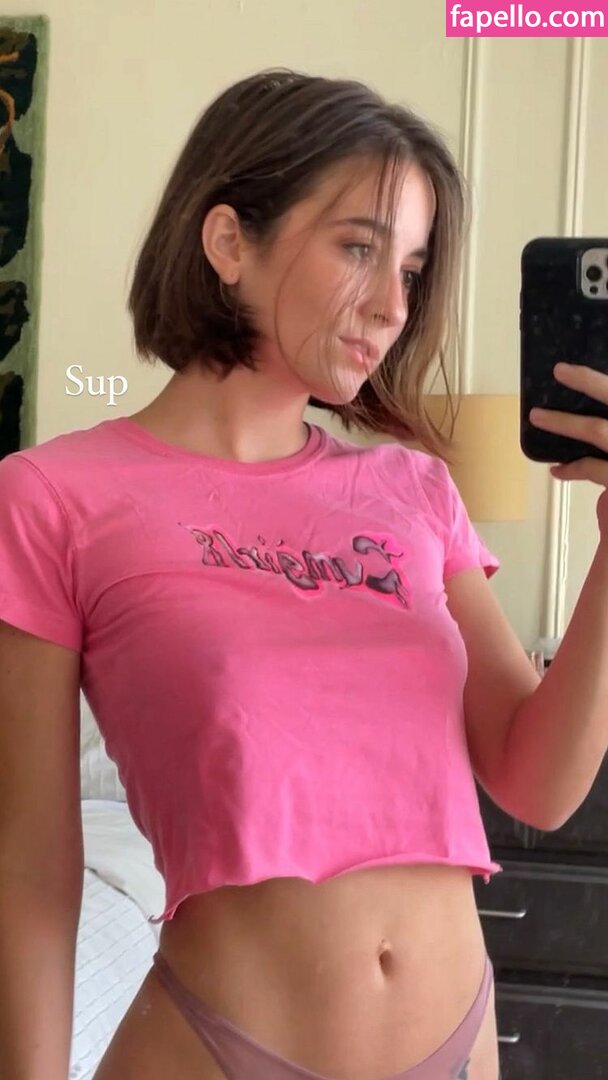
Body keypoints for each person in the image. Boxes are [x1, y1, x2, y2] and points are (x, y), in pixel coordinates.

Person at [2, 67, 608, 1080]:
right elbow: (29, 865)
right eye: (359, 249)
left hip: (455, 1041)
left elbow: (536, 783)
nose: (393, 306)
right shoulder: (54, 498)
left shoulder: (413, 491)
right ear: (229, 241)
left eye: (411, 269)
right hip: (219, 1047)